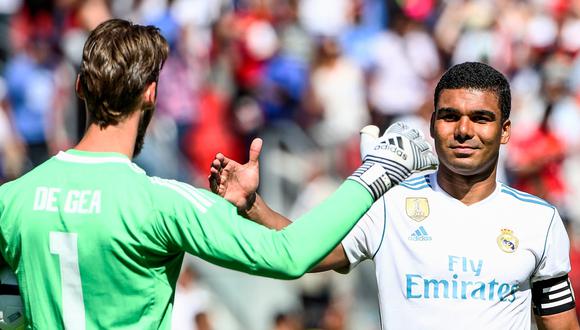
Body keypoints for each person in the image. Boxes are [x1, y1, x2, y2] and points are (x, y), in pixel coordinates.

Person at [0, 19, 438, 329]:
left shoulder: (13, 197)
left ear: (79, 88)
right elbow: (290, 255)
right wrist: (379, 170)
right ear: (151, 94)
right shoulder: (163, 202)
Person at [209, 62, 580, 329]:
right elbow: (306, 252)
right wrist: (252, 205)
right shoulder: (388, 203)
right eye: (450, 116)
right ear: (433, 125)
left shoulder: (539, 220)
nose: (464, 130)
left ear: (504, 131)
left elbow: (560, 326)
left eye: (481, 118)